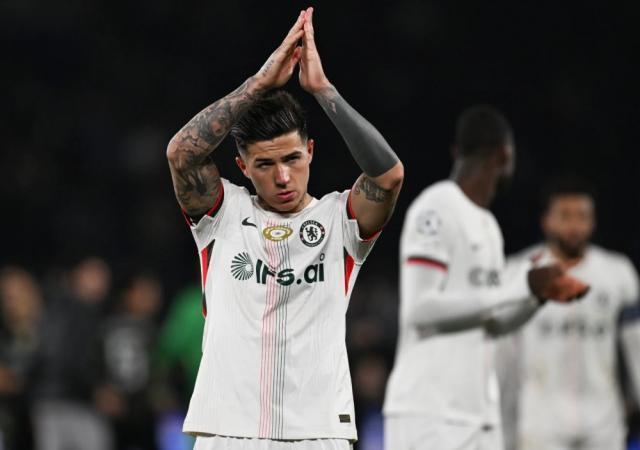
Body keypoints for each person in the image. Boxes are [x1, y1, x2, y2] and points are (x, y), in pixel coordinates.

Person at [166, 7, 403, 450]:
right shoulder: (222, 213)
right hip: (227, 430)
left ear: (310, 151)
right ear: (242, 167)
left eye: (292, 159)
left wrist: (324, 90)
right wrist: (258, 84)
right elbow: (182, 154)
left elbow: (388, 176)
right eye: (265, 164)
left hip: (317, 432)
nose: (282, 177)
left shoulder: (340, 220)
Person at [383, 106, 589, 450]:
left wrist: (537, 297)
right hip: (428, 413)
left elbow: (493, 323)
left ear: (456, 152)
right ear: (505, 156)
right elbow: (420, 310)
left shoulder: (489, 226)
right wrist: (522, 285)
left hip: (478, 415)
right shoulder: (436, 206)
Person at [501, 177, 640, 450]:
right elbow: (504, 356)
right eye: (565, 216)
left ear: (593, 221)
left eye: (582, 216)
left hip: (603, 421)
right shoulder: (519, 272)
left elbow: (636, 347)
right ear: (546, 221)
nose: (574, 226)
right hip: (540, 422)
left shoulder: (618, 273)